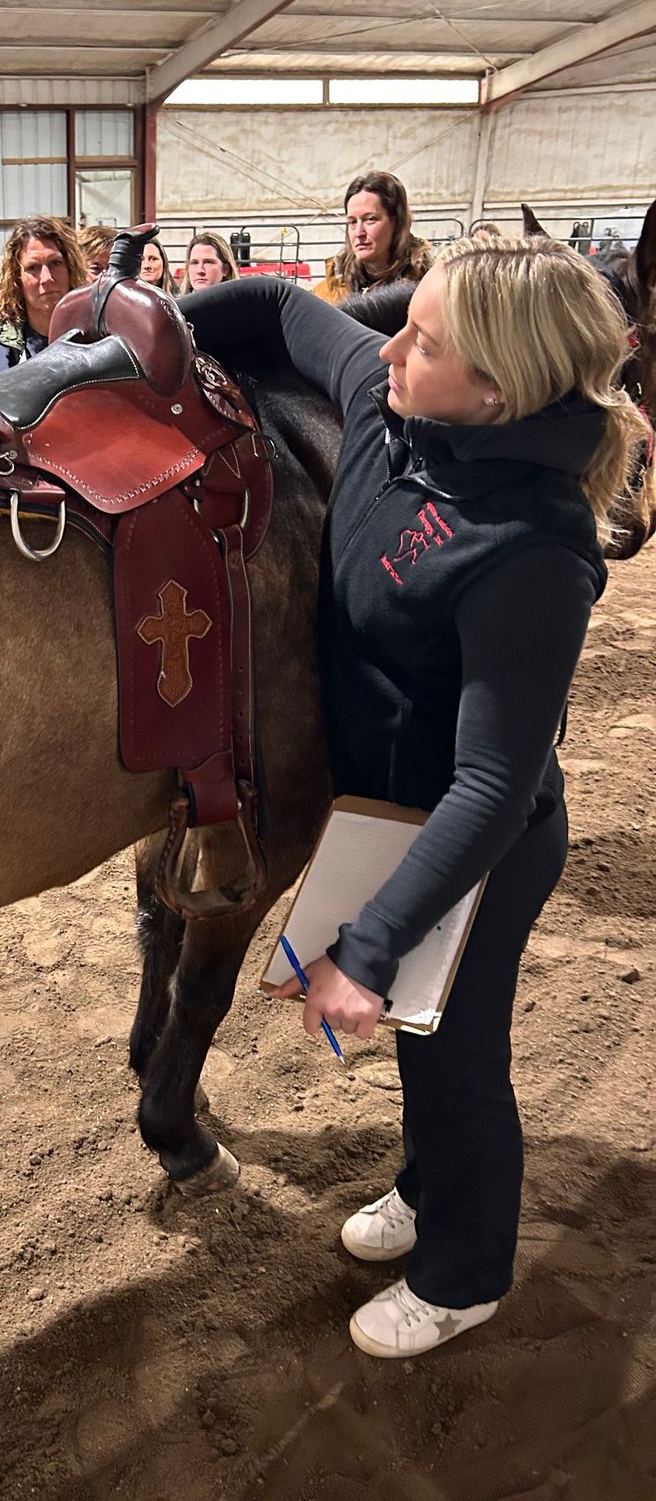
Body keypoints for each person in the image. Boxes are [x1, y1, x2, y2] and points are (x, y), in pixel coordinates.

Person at [182, 236, 646, 1359]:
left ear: (496, 386)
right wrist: (146, 316)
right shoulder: (388, 400)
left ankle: (465, 1270)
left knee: (454, 1053)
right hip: (389, 814)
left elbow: (493, 783)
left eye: (423, 339)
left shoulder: (532, 550)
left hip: (474, 839)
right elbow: (285, 309)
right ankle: (426, 1185)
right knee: (426, 1043)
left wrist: (371, 946)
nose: (388, 344)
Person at [0, 216, 87, 381]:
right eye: (33, 268)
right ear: (17, 278)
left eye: (55, 263)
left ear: (70, 268)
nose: (46, 278)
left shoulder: (97, 345)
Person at [314, 170, 432, 304]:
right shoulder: (327, 294)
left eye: (370, 219)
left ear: (397, 221)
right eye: (352, 222)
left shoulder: (428, 286)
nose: (359, 232)